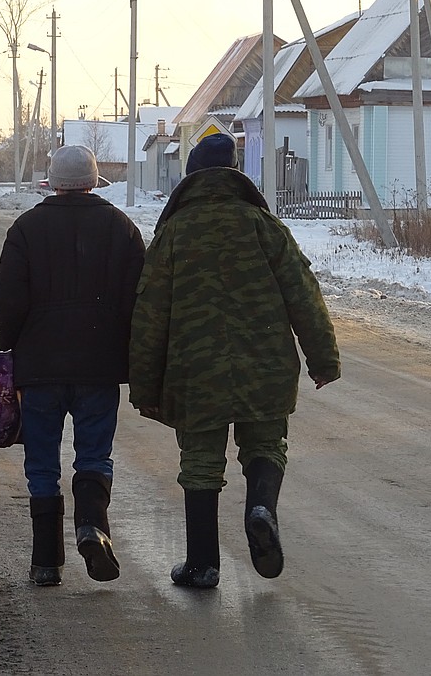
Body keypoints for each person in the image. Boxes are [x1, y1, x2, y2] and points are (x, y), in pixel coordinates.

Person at [129, 133, 341, 588]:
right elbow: (304, 295)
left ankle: (203, 565)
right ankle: (261, 509)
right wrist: (323, 359)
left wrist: (143, 385)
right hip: (265, 364)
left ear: (191, 178)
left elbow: (149, 314)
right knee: (265, 446)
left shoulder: (173, 234)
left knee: (201, 461)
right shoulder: (264, 227)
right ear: (234, 173)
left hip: (195, 370)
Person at [0, 144, 145, 586]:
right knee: (94, 453)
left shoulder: (28, 227)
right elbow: (141, 295)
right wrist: (128, 346)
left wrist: (10, 338)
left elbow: (5, 292)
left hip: (40, 367)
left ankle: (45, 561)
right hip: (99, 366)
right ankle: (92, 525)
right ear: (95, 180)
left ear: (52, 181)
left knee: (42, 462)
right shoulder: (120, 227)